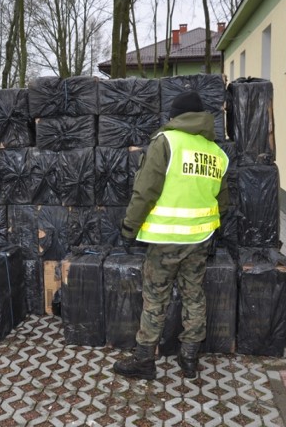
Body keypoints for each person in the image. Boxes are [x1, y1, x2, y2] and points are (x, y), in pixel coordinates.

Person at [113, 90, 229, 380]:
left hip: (165, 241)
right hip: (200, 240)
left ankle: (144, 361)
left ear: (175, 116)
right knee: (194, 295)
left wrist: (129, 227)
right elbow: (223, 201)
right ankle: (189, 358)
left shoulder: (166, 142)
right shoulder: (217, 153)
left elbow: (145, 191)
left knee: (155, 297)